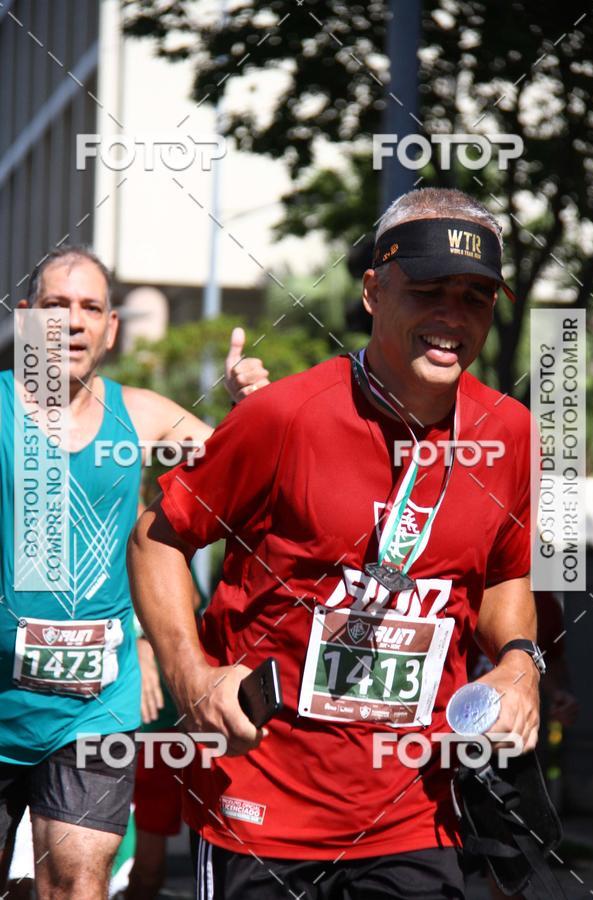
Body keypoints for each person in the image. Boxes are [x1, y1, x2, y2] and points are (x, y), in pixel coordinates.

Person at [128, 187, 543, 900]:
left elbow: (506, 576)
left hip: (415, 816)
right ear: (375, 291)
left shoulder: (509, 434)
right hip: (260, 806)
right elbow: (157, 535)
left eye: (475, 297)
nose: (452, 317)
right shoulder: (285, 417)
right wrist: (190, 675)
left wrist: (518, 661)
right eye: (429, 290)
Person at [0, 245, 267, 900]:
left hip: (95, 704)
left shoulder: (141, 415)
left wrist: (248, 408)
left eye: (91, 307)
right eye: (57, 306)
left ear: (112, 327)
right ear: (27, 315)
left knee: (78, 879)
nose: (73, 322)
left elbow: (248, 478)